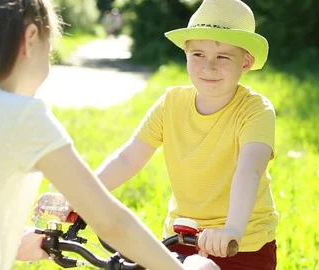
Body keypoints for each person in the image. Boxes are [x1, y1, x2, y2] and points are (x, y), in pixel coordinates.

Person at [0, 1, 219, 269]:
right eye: (49, 53)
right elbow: (111, 222)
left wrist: (17, 241)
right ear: (31, 38)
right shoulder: (19, 114)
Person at [40, 0, 278, 269]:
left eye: (222, 57)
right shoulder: (171, 103)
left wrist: (233, 229)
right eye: (198, 54)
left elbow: (249, 170)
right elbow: (129, 158)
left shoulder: (256, 110)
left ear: (245, 62)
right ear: (186, 54)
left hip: (241, 244)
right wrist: (83, 194)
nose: (208, 66)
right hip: (181, 237)